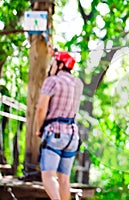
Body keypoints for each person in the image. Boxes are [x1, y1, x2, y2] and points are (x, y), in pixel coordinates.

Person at [35, 51, 83, 200]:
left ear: (60, 65)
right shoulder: (77, 84)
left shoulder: (52, 81)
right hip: (72, 135)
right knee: (64, 179)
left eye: (54, 63)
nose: (51, 66)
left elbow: (41, 108)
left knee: (48, 176)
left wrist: (38, 129)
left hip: (55, 133)